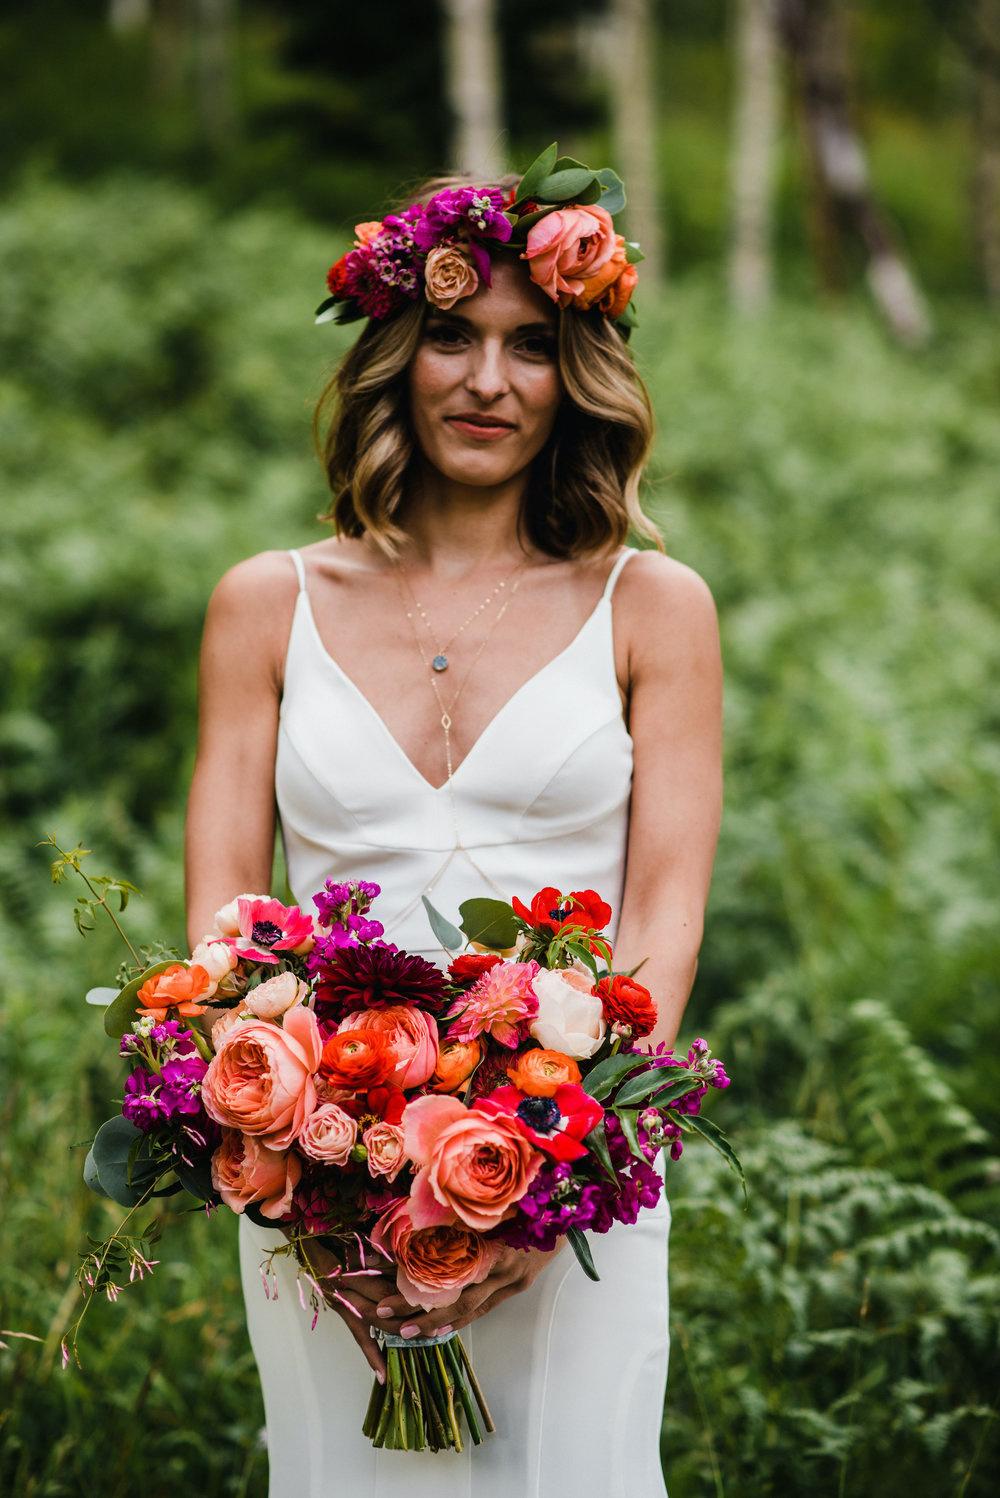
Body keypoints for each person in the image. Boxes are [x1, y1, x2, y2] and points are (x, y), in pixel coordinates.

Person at [184, 157, 723, 1498]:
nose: (490, 381)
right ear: (393, 353)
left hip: (565, 1177)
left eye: (534, 346)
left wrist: (546, 1183)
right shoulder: (265, 603)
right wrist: (320, 1180)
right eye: (452, 337)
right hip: (322, 1185)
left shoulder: (654, 609)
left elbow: (662, 914)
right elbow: (219, 914)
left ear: (578, 375)